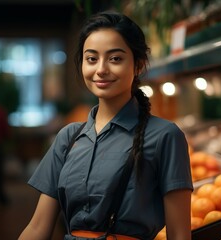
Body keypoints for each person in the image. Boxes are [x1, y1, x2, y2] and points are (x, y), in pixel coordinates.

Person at [19, 11, 193, 240]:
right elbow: (38, 227)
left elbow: (179, 234)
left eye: (115, 59)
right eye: (91, 59)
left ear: (138, 65)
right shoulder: (68, 137)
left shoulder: (165, 136)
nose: (101, 69)